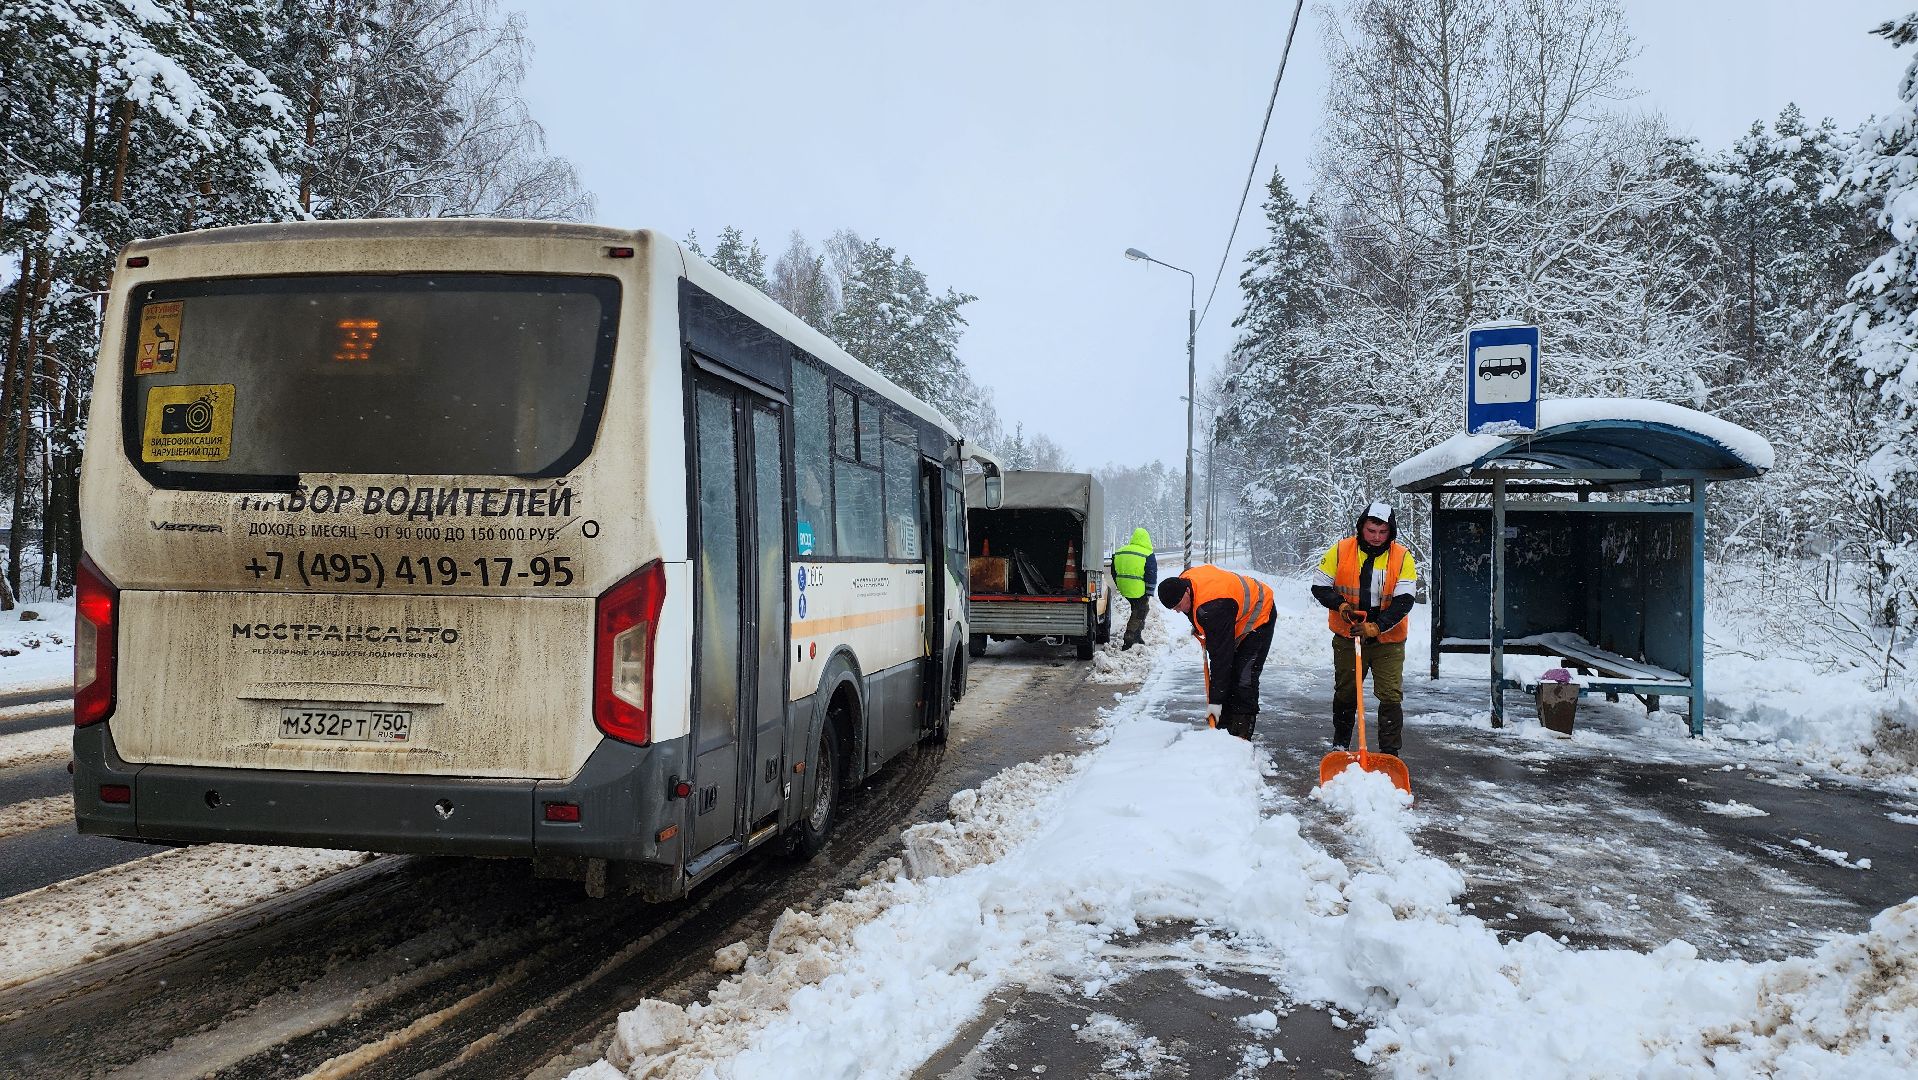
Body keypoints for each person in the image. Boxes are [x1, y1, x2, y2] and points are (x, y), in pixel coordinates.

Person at [1310, 501, 1419, 759]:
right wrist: (1341, 605)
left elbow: (1405, 600)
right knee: (1346, 690)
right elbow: (1319, 585)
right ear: (1362, 527)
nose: (1377, 537)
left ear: (1391, 531)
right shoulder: (1341, 550)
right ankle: (1340, 745)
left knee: (1390, 694)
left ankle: (1390, 753)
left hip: (1388, 640)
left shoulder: (1402, 556)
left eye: (1383, 532)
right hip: (1348, 635)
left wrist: (1376, 626)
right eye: (1372, 531)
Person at [1157, 565, 1275, 739]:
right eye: (1174, 608)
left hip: (1259, 612)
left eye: (1179, 605)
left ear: (1187, 591)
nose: (1178, 611)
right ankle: (1224, 728)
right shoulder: (1185, 582)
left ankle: (1241, 736)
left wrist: (1215, 702)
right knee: (1229, 674)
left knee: (1244, 678)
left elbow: (1221, 660)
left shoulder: (1213, 608)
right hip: (1231, 611)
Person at [1110, 527, 1158, 649]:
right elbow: (1151, 575)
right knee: (1140, 611)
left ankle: (1137, 635)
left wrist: (1119, 584)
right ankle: (1129, 638)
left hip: (1125, 588)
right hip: (1139, 590)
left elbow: (1113, 571)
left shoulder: (1120, 552)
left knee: (1139, 609)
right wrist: (1149, 592)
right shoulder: (1147, 554)